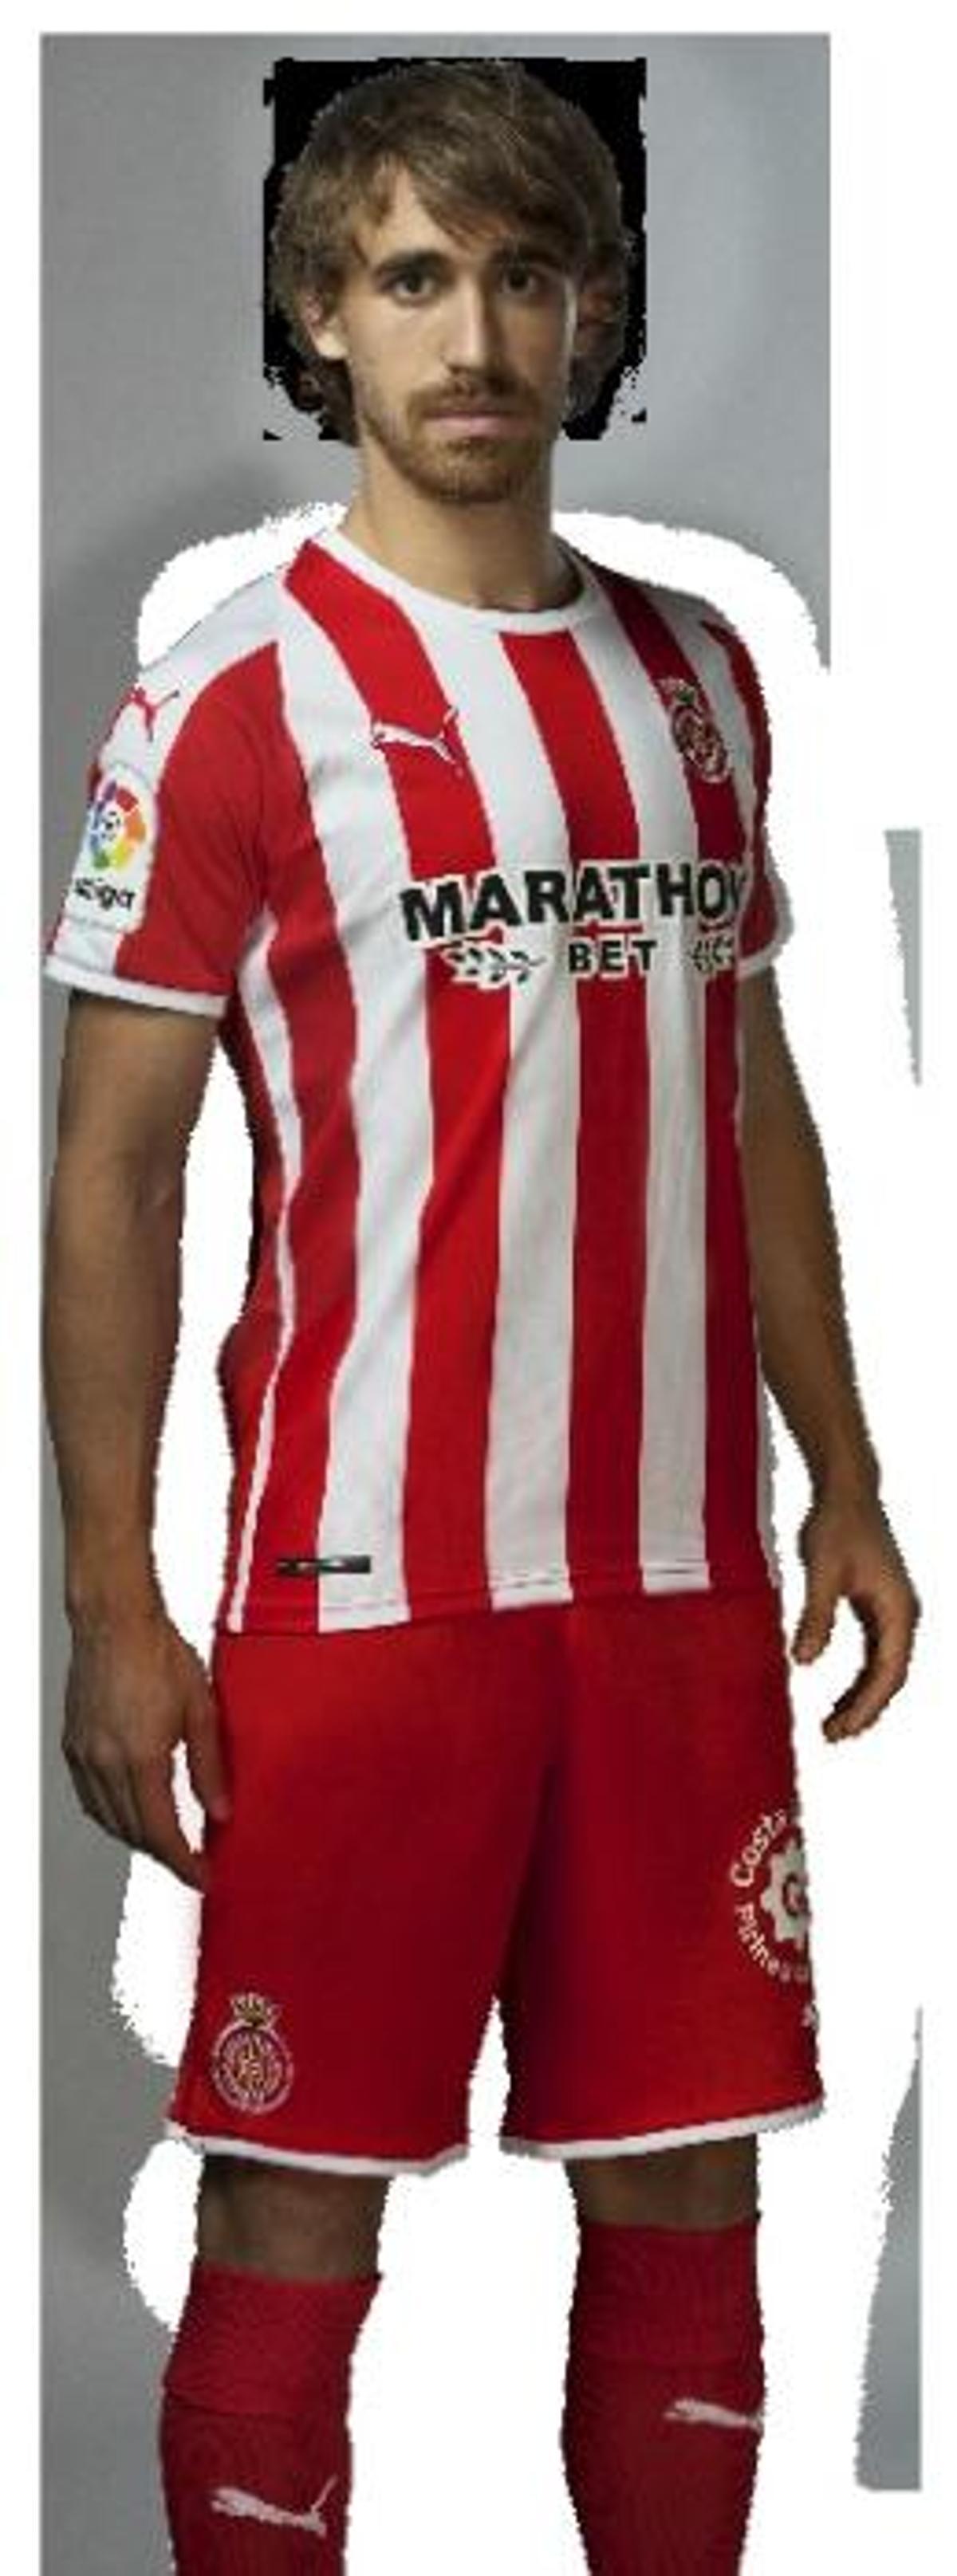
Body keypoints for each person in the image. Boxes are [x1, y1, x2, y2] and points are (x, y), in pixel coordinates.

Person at [41, 55, 920, 2576]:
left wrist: (846, 1473)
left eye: (526, 276)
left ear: (592, 311)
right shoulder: (230, 698)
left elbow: (748, 1090)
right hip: (368, 1599)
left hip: (674, 1592)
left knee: (688, 2180)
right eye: (415, 276)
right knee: (298, 2188)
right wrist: (114, 1599)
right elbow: (113, 1174)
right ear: (322, 316)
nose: (476, 335)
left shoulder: (700, 680)